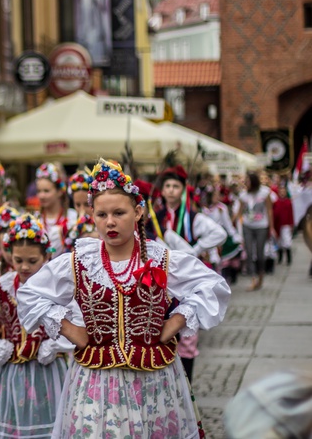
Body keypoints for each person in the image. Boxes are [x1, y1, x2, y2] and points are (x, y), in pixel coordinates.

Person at [17, 159, 230, 438]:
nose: (110, 222)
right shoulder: (80, 261)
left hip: (154, 379)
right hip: (96, 380)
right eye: (102, 214)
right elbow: (31, 294)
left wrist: (176, 321)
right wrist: (69, 329)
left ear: (138, 212)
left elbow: (212, 285)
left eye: (119, 212)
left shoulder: (161, 258)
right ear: (92, 215)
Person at [0, 214, 77, 438]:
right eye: (18, 260)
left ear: (46, 256)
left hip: (49, 371)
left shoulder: (57, 286)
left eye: (32, 261)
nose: (24, 267)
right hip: (10, 372)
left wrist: (55, 345)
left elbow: (79, 319)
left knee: (51, 424)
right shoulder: (2, 287)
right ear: (9, 256)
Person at [152, 165, 227, 381]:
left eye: (176, 186)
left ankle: (187, 385)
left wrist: (194, 250)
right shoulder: (154, 218)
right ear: (162, 190)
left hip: (186, 282)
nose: (171, 190)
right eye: (168, 186)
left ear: (183, 190)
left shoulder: (193, 217)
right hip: (160, 281)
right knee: (162, 331)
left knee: (186, 334)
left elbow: (219, 233)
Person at [235, 172, 275, 291]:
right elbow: (239, 212)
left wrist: (271, 227)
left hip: (262, 226)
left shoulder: (264, 192)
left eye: (247, 181)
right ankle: (253, 279)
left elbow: (269, 210)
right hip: (247, 226)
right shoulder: (243, 195)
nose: (245, 183)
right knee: (249, 252)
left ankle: (261, 276)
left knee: (259, 252)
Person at [35, 163, 76, 258]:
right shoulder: (35, 219)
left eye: (46, 191)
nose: (41, 196)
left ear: (59, 192)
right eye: (39, 191)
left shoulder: (72, 216)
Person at [272, 184, 294, 266]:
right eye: (280, 191)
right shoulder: (276, 202)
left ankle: (289, 258)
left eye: (283, 192)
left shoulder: (288, 202)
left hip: (286, 224)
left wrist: (291, 224)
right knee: (279, 242)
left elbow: (291, 214)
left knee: (287, 241)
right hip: (278, 225)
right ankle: (280, 258)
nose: (282, 193)